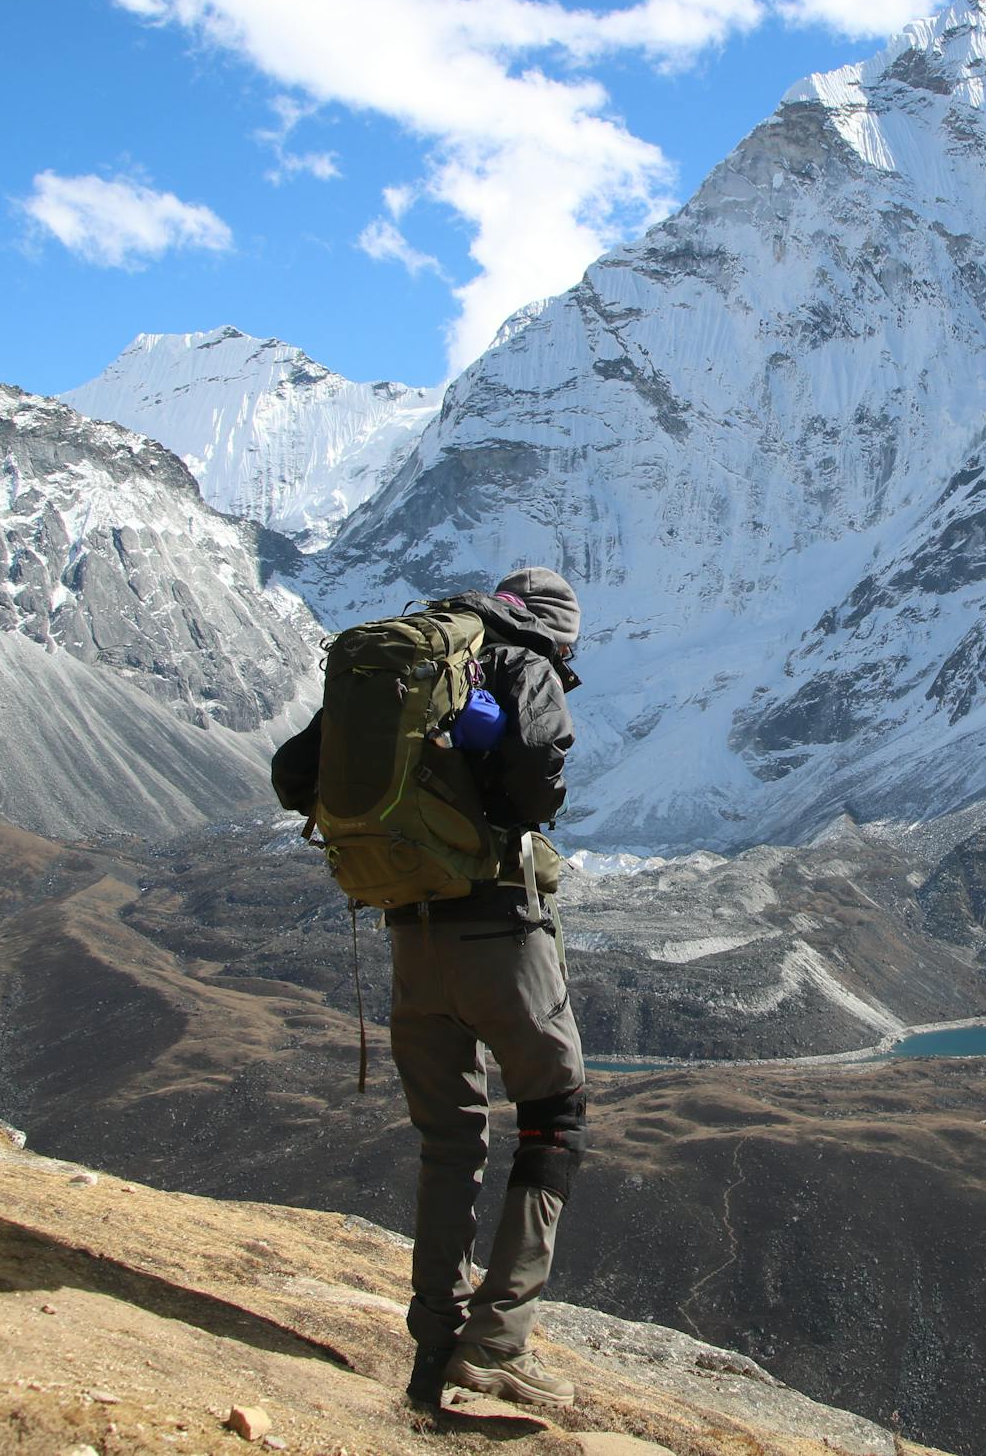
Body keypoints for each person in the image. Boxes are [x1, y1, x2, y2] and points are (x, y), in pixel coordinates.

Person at [271, 565, 590, 1410]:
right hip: (499, 931)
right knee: (553, 1111)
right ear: (558, 632)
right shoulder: (526, 664)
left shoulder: (409, 659)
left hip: (410, 935)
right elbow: (534, 772)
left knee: (449, 1141)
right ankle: (496, 1343)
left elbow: (293, 776)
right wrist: (504, 800)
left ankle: (431, 1351)